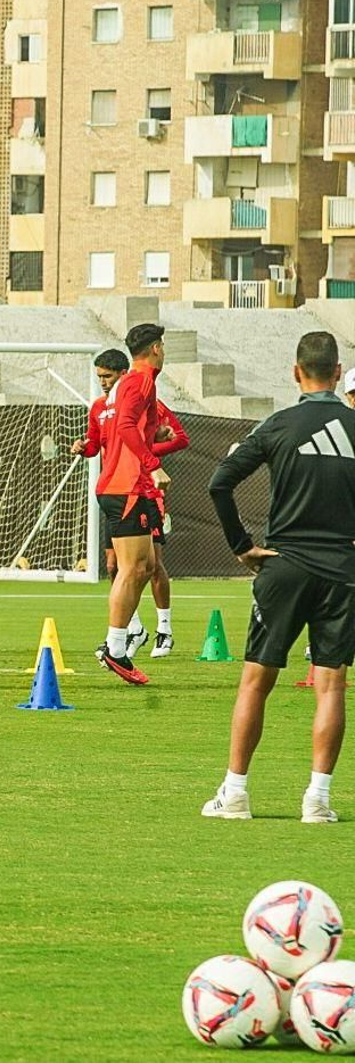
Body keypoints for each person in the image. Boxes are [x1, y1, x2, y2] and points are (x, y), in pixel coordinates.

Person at [203, 330, 355, 825]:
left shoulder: (277, 426)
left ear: (296, 372)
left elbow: (219, 482)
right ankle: (318, 799)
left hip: (283, 565)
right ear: (337, 373)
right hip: (342, 571)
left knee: (255, 680)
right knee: (331, 686)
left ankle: (237, 794)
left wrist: (242, 546)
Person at [72, 348, 189, 659]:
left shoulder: (142, 397)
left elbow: (179, 437)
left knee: (150, 565)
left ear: (122, 374)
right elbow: (96, 444)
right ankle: (131, 629)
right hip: (116, 489)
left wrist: (152, 454)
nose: (103, 383)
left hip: (143, 490)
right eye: (99, 378)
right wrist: (83, 448)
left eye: (107, 377)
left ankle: (163, 629)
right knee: (116, 566)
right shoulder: (97, 408)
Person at [88, 324, 168, 684]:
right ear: (155, 348)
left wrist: (154, 435)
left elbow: (127, 427)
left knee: (147, 565)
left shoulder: (131, 384)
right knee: (131, 568)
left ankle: (124, 638)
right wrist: (153, 465)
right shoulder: (140, 380)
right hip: (126, 486)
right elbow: (123, 426)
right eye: (162, 346)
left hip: (127, 484)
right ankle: (116, 647)